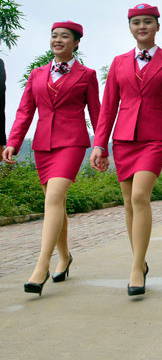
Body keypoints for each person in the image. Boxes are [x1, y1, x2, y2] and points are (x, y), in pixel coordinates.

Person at [3, 22, 103, 295]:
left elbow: (98, 113)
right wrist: (13, 142)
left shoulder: (87, 75)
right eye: (54, 36)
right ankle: (65, 257)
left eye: (65, 37)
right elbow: (25, 112)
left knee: (54, 199)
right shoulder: (37, 74)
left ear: (76, 43)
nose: (58, 40)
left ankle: (41, 265)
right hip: (43, 146)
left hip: (72, 143)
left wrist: (101, 146)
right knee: (54, 204)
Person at [89, 4, 162, 296]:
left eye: (147, 22)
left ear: (157, 26)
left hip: (155, 139)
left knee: (141, 196)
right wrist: (99, 143)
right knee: (129, 203)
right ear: (130, 28)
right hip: (124, 140)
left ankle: (135, 266)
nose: (141, 27)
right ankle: (139, 262)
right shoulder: (118, 62)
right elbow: (108, 108)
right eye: (135, 23)